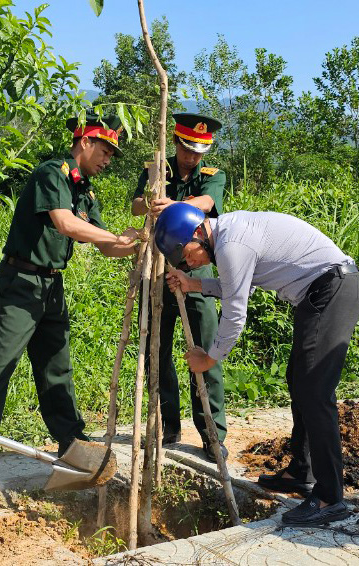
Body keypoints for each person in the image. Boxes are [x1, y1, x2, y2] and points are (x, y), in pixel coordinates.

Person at [0, 111, 142, 498]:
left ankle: (72, 445)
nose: (108, 160)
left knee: (57, 368)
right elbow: (65, 224)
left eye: (113, 154)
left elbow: (106, 246)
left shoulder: (85, 191)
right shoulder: (51, 173)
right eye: (105, 150)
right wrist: (113, 237)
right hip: (21, 282)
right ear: (85, 142)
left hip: (51, 285)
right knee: (0, 366)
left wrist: (138, 238)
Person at [156, 203, 359, 527]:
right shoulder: (229, 235)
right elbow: (237, 285)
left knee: (314, 391)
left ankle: (329, 498)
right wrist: (194, 284)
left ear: (197, 232)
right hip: (322, 294)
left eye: (186, 255)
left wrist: (209, 358)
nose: (190, 263)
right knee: (298, 379)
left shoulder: (231, 244)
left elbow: (235, 313)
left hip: (333, 290)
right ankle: (302, 472)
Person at [130, 112, 227, 458]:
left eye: (199, 151)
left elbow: (207, 203)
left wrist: (173, 206)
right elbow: (135, 205)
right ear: (175, 142)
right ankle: (168, 426)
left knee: (206, 349)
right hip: (156, 268)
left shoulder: (212, 176)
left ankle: (213, 433)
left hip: (196, 270)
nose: (192, 156)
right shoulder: (158, 169)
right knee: (159, 350)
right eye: (187, 149)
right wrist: (149, 201)